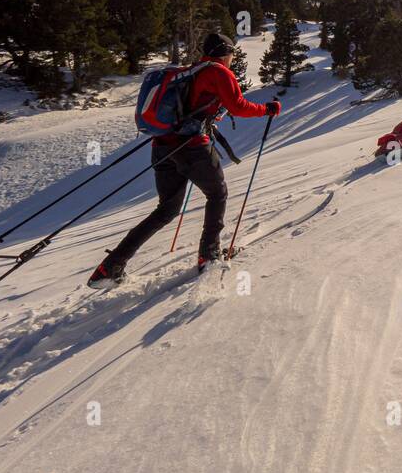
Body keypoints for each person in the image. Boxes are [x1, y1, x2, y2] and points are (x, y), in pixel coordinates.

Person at [88, 32, 279, 288]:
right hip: (192, 148)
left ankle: (109, 267)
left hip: (163, 147)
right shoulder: (219, 72)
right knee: (217, 193)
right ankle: (209, 255)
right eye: (232, 53)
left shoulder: (191, 71)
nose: (232, 59)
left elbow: (198, 107)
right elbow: (238, 106)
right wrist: (267, 109)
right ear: (225, 52)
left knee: (166, 210)